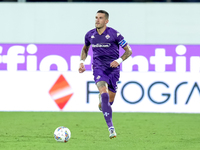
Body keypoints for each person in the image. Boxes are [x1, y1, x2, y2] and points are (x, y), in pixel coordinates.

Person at [79, 10, 132, 139]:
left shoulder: (115, 34)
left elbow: (128, 51)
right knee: (104, 93)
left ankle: (102, 104)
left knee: (108, 101)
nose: (97, 20)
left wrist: (118, 60)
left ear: (106, 21)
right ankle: (111, 128)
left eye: (100, 18)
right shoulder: (90, 35)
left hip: (113, 70)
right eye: (96, 17)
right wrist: (81, 62)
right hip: (98, 69)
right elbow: (85, 48)